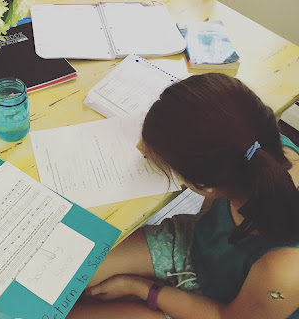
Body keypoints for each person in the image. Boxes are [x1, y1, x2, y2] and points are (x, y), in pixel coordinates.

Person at [68, 72, 299, 319]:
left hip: (225, 306)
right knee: (67, 272)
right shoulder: (256, 148)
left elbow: (225, 317)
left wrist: (141, 288)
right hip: (194, 245)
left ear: (204, 184)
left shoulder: (284, 270)